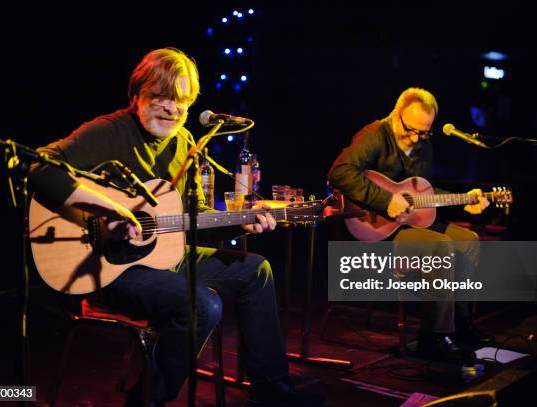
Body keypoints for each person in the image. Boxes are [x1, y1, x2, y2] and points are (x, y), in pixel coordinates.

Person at [29, 47, 321, 407]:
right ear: (136, 95)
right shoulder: (107, 132)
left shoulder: (185, 142)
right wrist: (108, 210)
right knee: (202, 305)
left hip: (162, 259)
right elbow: (40, 168)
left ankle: (271, 387)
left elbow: (192, 218)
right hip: (108, 269)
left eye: (182, 102)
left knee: (256, 270)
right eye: (162, 97)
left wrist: (245, 223)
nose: (173, 110)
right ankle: (146, 401)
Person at [328, 87, 494, 364]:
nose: (417, 137)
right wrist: (384, 201)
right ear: (397, 114)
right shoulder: (374, 135)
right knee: (440, 246)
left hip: (404, 227)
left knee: (468, 239)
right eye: (412, 130)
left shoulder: (423, 145)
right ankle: (433, 338)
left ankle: (460, 324)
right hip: (371, 230)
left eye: (424, 132)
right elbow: (339, 173)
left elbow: (421, 193)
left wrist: (464, 201)